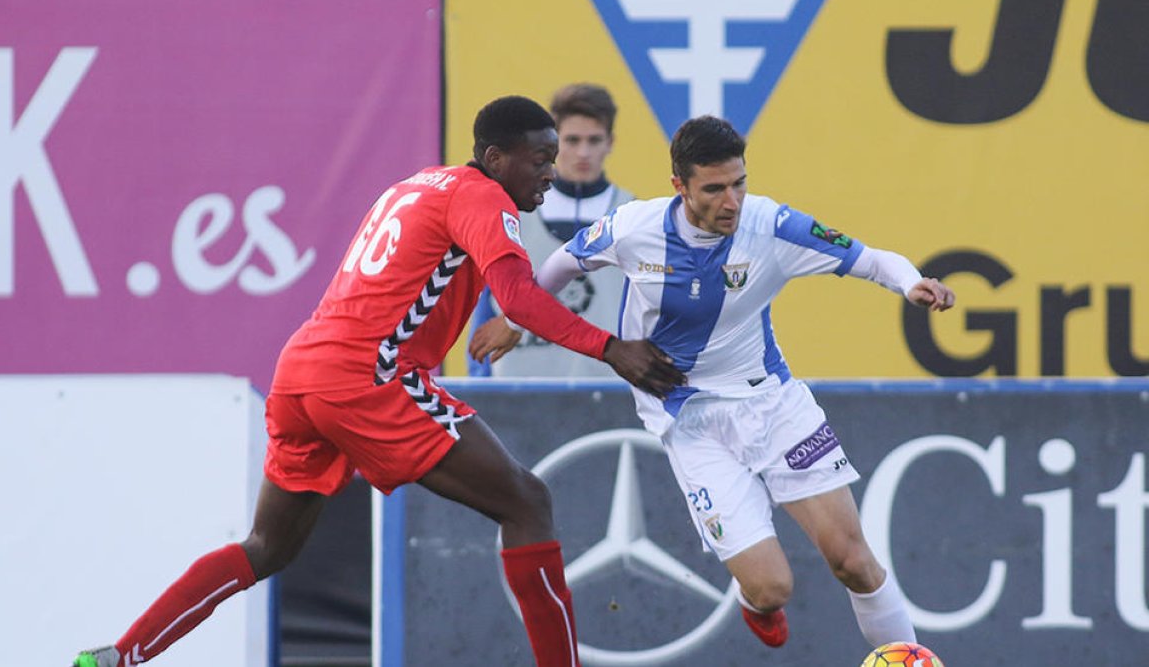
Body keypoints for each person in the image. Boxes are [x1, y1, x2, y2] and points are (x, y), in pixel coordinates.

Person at [72, 96, 685, 667]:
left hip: (301, 371)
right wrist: (612, 349)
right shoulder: (482, 197)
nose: (550, 173)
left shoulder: (416, 184)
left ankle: (120, 655)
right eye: (540, 159)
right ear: (496, 159)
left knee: (268, 547)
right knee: (528, 502)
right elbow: (519, 299)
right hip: (368, 376)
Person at [470, 115, 955, 651]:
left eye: (740, 183)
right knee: (772, 587)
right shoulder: (635, 227)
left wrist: (912, 283)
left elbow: (870, 259)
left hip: (772, 403)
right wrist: (514, 321)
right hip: (689, 421)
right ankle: (756, 603)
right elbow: (561, 264)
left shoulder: (771, 225)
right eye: (715, 188)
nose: (733, 201)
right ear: (679, 185)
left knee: (854, 562)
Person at [469, 83, 635, 377]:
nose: (583, 152)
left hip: (608, 390)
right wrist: (481, 381)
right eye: (572, 140)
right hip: (519, 388)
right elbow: (485, 304)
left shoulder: (632, 214)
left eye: (594, 140)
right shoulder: (512, 211)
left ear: (610, 142)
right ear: (555, 143)